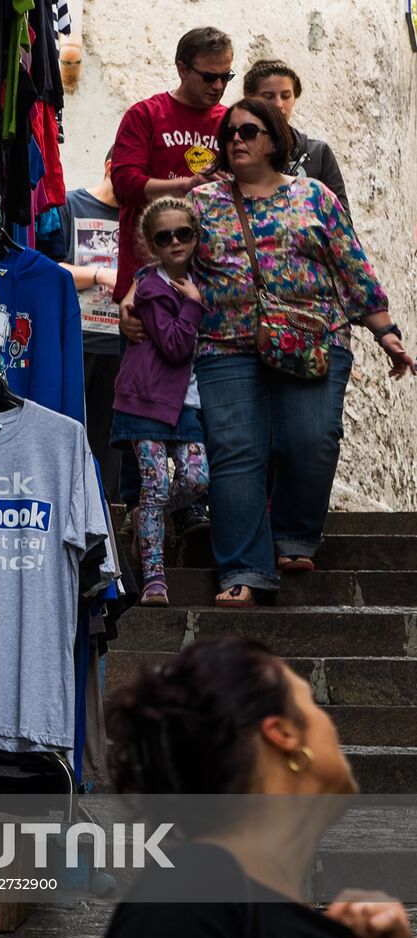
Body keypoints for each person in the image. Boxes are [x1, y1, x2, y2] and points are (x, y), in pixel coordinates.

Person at [75, 637, 417, 938]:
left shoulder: (298, 929)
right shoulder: (193, 899)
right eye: (313, 704)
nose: (330, 724)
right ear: (283, 733)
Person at [182, 97, 413, 607]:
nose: (236, 140)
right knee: (236, 454)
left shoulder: (314, 196)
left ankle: (294, 534)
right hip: (226, 344)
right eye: (229, 134)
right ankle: (242, 567)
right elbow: (170, 261)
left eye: (249, 131)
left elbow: (352, 266)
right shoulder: (202, 204)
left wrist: (385, 331)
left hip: (314, 338)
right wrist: (140, 298)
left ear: (276, 140)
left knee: (312, 439)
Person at [109, 26, 232, 535]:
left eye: (227, 77)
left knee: (203, 395)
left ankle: (192, 500)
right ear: (182, 68)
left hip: (209, 287)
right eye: (209, 76)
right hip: (152, 284)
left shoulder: (231, 123)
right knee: (147, 390)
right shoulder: (146, 114)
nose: (219, 88)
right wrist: (187, 185)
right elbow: (125, 182)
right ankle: (141, 502)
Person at [109, 198, 209, 607]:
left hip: (187, 404)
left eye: (183, 234)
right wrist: (193, 305)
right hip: (146, 401)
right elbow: (174, 344)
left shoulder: (201, 279)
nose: (175, 243)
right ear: (151, 244)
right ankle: (153, 578)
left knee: (197, 479)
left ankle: (145, 519)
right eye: (164, 237)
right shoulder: (150, 287)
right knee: (154, 484)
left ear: (196, 237)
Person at [49, 147, 123, 498]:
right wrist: (98, 274)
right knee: (68, 433)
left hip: (122, 346)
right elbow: (49, 268)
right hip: (76, 341)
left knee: (111, 448)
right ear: (109, 166)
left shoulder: (144, 217)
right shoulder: (70, 205)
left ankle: (106, 514)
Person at [243, 58, 350, 217]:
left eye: (286, 96)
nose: (278, 104)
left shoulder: (318, 153)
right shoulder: (238, 151)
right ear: (250, 98)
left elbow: (341, 218)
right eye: (268, 96)